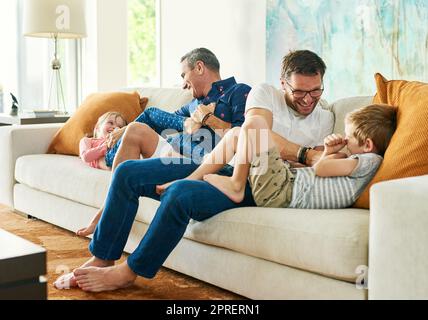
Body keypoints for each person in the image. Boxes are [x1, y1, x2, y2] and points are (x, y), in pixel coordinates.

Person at [53, 50, 334, 292]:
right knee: (128, 173)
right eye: (299, 91)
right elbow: (258, 133)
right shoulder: (265, 94)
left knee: (180, 192)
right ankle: (103, 257)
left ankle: (128, 273)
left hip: (254, 183)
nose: (309, 99)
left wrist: (316, 156)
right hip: (222, 163)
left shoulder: (326, 118)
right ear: (283, 83)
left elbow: (314, 162)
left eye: (316, 90)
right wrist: (305, 153)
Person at [73, 47, 250, 237]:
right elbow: (159, 119)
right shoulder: (192, 104)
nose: (183, 84)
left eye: (184, 75)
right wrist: (123, 130)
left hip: (208, 162)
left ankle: (106, 213)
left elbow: (243, 140)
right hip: (177, 151)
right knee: (135, 130)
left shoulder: (239, 91)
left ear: (199, 67)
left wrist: (208, 119)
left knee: (136, 156)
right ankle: (106, 210)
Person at [163, 104, 396, 210]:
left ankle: (235, 184)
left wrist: (330, 152)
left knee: (254, 123)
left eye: (349, 136)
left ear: (367, 145)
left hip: (282, 192)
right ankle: (192, 179)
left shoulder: (368, 161)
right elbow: (321, 169)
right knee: (235, 134)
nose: (345, 139)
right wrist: (329, 152)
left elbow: (321, 169)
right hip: (284, 183)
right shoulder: (356, 160)